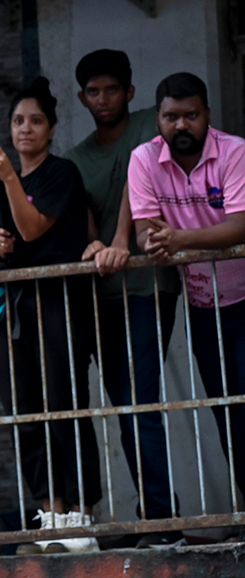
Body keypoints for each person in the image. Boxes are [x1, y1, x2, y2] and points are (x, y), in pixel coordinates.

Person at [64, 50, 183, 546]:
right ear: (81, 98)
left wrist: (117, 244)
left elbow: (141, 190)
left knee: (141, 402)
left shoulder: (146, 135)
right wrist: (95, 242)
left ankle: (162, 520)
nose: (103, 99)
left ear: (130, 93)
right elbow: (80, 209)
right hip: (103, 295)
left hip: (147, 287)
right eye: (93, 91)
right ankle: (155, 515)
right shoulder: (77, 157)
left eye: (112, 89)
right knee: (123, 403)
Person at [0, 78, 100, 553]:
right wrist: (1, 246)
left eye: (35, 121)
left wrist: (11, 181)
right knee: (28, 411)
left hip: (60, 303)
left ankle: (82, 517)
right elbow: (13, 241)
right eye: (18, 121)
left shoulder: (60, 173)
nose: (25, 129)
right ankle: (51, 514)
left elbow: (33, 229)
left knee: (65, 406)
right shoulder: (7, 180)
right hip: (20, 306)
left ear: (51, 129)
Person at [127, 72, 245, 501]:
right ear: (157, 118)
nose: (181, 126)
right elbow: (144, 231)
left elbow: (240, 226)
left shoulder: (234, 153)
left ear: (207, 115)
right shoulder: (144, 159)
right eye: (171, 117)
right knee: (227, 415)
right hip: (202, 306)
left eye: (191, 115)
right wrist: (154, 242)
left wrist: (177, 238)